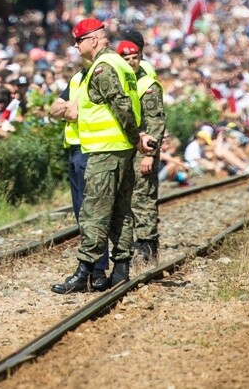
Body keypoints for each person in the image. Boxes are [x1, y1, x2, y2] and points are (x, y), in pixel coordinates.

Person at [52, 19, 155, 294]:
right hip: (119, 149)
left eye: (79, 40)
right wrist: (137, 138)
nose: (76, 45)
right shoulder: (118, 65)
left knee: (93, 214)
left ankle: (83, 272)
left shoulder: (103, 68)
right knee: (121, 213)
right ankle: (121, 270)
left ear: (94, 39)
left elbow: (121, 106)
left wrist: (135, 137)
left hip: (105, 151)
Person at [50, 65, 111, 290]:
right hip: (76, 151)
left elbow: (71, 113)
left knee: (92, 213)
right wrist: (67, 107)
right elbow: (54, 110)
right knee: (81, 213)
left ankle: (97, 269)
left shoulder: (98, 78)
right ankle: (94, 269)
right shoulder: (77, 78)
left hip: (92, 150)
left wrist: (68, 108)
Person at [118, 39, 166, 265]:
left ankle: (147, 243)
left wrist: (150, 154)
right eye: (126, 59)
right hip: (124, 148)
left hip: (143, 149)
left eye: (134, 58)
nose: (131, 62)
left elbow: (156, 122)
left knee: (143, 197)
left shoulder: (147, 84)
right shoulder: (120, 82)